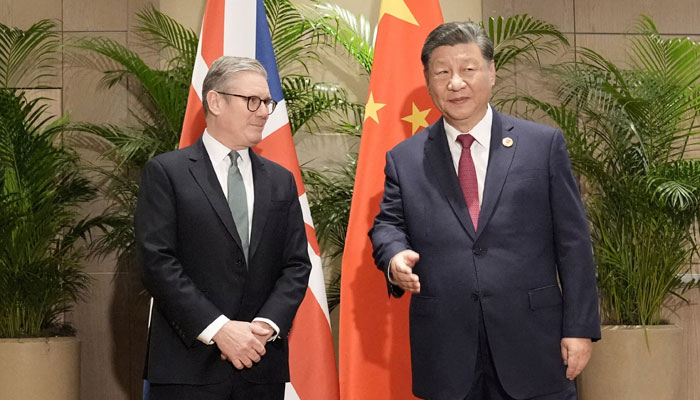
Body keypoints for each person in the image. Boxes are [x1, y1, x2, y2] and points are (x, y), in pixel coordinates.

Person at [369, 22, 601, 400]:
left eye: (468, 69)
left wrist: (579, 328)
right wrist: (394, 257)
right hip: (446, 351)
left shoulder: (542, 146)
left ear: (492, 72)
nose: (455, 83)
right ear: (427, 81)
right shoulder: (405, 159)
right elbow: (388, 225)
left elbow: (573, 244)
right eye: (442, 72)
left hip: (534, 345)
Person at [135, 56, 311, 400]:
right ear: (215, 101)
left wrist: (265, 326)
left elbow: (296, 264)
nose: (263, 111)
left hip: (261, 365)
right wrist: (219, 329)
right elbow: (157, 263)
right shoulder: (166, 173)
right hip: (187, 368)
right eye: (253, 101)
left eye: (267, 103)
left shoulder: (281, 181)